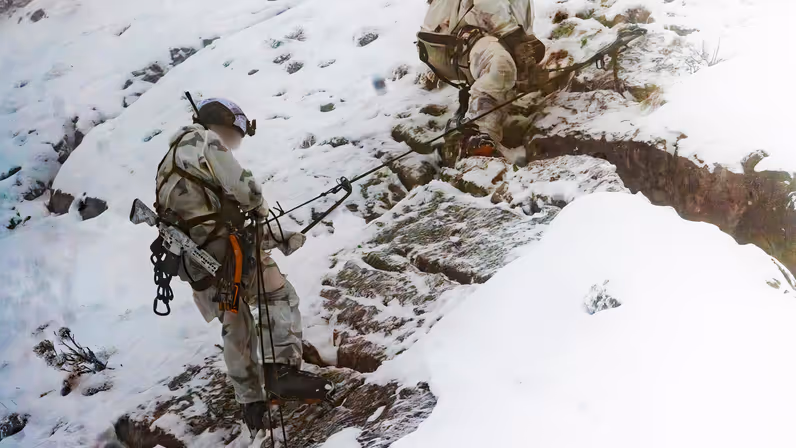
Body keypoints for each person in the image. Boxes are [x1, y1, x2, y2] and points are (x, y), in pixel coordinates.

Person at [154, 98, 333, 433]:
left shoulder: (171, 156)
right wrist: (267, 218)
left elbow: (209, 216)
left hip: (195, 261)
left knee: (235, 324)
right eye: (237, 135)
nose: (236, 144)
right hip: (225, 255)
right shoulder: (206, 141)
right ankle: (281, 372)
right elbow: (247, 194)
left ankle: (250, 402)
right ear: (226, 125)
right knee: (277, 292)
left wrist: (278, 237)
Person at [419, 0, 545, 158]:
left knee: (504, 64)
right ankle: (477, 132)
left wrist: (524, 41)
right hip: (448, 44)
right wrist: (515, 39)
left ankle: (483, 104)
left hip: (469, 38)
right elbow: (484, 8)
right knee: (501, 66)